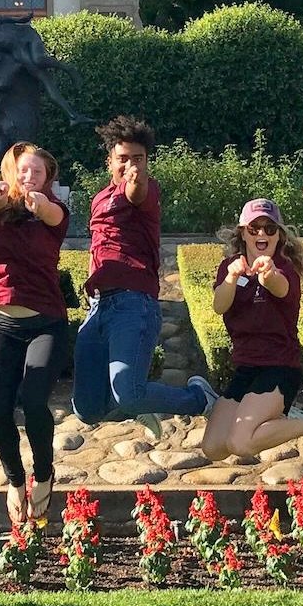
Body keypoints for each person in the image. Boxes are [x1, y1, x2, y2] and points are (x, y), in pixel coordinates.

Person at [72, 115, 217, 436]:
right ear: (109, 160)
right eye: (123, 159)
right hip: (98, 307)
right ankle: (139, 411)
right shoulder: (99, 198)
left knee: (129, 392)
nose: (130, 165)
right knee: (87, 409)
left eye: (138, 159)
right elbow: (102, 245)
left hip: (133, 304)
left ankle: (199, 399)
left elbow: (136, 190)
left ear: (147, 162)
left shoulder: (145, 190)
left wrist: (136, 178)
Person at [200, 199, 303, 462]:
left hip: (279, 366)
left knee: (240, 442)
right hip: (246, 368)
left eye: (269, 228)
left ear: (279, 235)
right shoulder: (229, 268)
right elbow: (220, 305)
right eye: (254, 228)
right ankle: (281, 416)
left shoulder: (283, 269)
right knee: (214, 448)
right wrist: (230, 277)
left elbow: (280, 288)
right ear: (243, 232)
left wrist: (268, 274)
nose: (261, 233)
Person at [0, 142, 73, 529]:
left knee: (34, 401)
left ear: (47, 177)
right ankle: (16, 480)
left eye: (37, 171)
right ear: (9, 172)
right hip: (1, 322)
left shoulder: (54, 211)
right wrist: (1, 195)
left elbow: (53, 216)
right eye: (23, 170)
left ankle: (45, 474)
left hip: (45, 322)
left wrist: (38, 203)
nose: (29, 176)